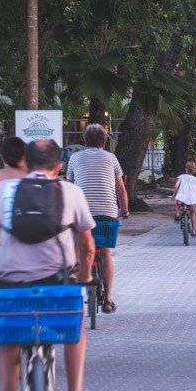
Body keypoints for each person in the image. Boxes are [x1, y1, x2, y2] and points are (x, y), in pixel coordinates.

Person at [0, 139, 96, 391]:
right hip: (58, 284)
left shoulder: (2, 191)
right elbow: (87, 245)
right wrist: (83, 276)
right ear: (59, 166)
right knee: (75, 327)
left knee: (8, 335)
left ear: (25, 163)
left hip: (11, 284)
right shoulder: (70, 191)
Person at [66, 124, 129, 312]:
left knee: (77, 251)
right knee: (106, 252)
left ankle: (76, 298)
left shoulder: (74, 158)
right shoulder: (112, 158)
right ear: (103, 142)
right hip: (107, 214)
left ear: (84, 142)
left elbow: (68, 188)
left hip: (81, 215)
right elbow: (121, 189)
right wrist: (124, 210)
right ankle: (108, 300)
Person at [172, 161, 196, 237]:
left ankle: (177, 213)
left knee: (177, 202)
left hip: (182, 197)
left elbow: (176, 186)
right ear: (194, 170)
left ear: (186, 169)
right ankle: (193, 230)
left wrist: (174, 194)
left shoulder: (181, 177)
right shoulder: (195, 179)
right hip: (191, 199)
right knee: (192, 213)